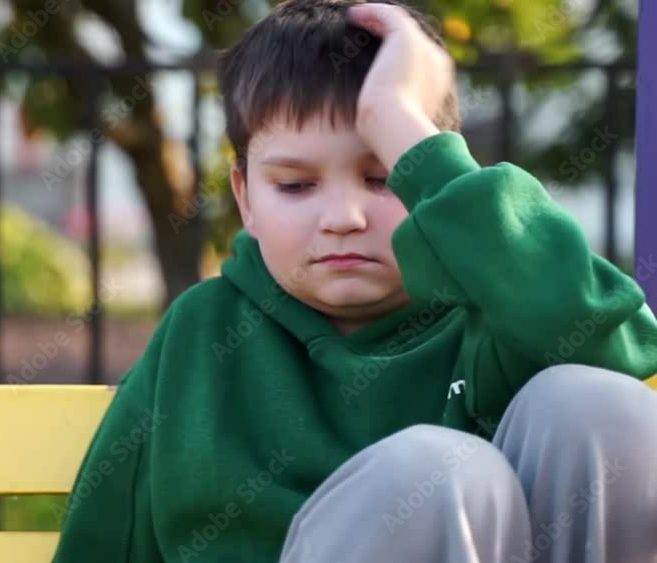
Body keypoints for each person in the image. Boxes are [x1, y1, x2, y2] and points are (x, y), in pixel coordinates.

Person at [51, 1, 657, 561]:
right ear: (245, 197)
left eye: (383, 175)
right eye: (295, 185)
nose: (343, 218)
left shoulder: (497, 317)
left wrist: (400, 120)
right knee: (435, 474)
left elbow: (620, 351)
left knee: (596, 400)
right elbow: (104, 541)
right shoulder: (202, 334)